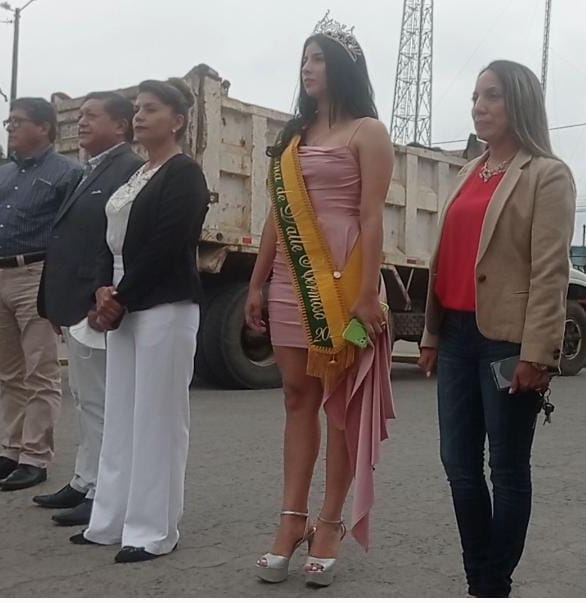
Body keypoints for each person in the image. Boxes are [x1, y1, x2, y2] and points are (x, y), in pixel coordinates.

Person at [245, 12, 395, 587]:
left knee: (340, 406)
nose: (308, 68)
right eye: (304, 59)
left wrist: (367, 294)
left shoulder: (367, 132)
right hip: (291, 280)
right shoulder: (294, 136)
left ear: (343, 68)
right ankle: (291, 519)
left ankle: (329, 523)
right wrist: (257, 282)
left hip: (346, 283)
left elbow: (372, 216)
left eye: (319, 59)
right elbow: (276, 217)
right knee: (295, 397)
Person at [417, 60, 576, 598]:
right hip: (457, 335)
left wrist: (539, 352)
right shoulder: (469, 172)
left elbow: (550, 271)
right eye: (475, 97)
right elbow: (447, 259)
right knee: (458, 464)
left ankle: (492, 585)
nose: (478, 107)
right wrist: (432, 335)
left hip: (508, 340)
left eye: (491, 96)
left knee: (506, 468)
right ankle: (479, 577)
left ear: (519, 103)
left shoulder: (547, 174)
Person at [69, 77, 209, 563]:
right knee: (122, 414)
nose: (140, 117)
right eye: (137, 109)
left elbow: (168, 244)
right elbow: (110, 238)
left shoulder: (184, 174)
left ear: (178, 120)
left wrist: (121, 297)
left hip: (163, 303)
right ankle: (110, 519)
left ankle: (153, 529)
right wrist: (101, 289)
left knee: (158, 418)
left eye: (151, 109)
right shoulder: (137, 174)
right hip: (123, 298)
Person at [0, 98, 83, 491]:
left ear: (44, 127)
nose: (10, 127)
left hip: (38, 274)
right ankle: (11, 450)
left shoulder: (67, 174)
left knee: (40, 370)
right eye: (8, 121)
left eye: (18, 121)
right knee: (8, 371)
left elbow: (74, 234)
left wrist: (64, 284)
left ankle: (35, 457)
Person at [34, 92, 143, 526]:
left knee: (101, 401)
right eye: (79, 116)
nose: (80, 123)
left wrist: (100, 296)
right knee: (84, 398)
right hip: (72, 303)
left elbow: (112, 242)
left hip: (93, 303)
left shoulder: (128, 170)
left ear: (120, 126)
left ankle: (102, 490)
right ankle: (84, 479)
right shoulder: (90, 169)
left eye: (91, 116)